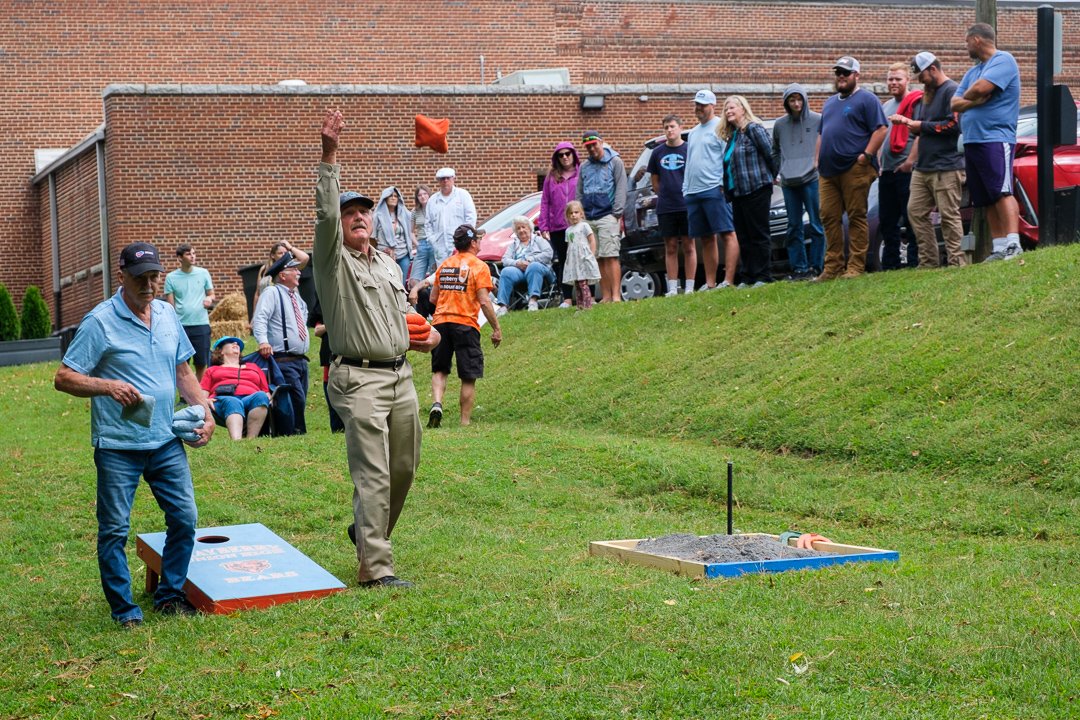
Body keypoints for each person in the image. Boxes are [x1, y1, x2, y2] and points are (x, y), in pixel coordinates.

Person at [54, 241, 215, 627]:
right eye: (141, 277)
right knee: (114, 530)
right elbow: (64, 377)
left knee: (184, 518)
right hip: (117, 447)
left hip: (165, 441)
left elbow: (183, 372)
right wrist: (107, 386)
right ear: (122, 275)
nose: (149, 285)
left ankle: (171, 595)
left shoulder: (165, 314)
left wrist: (206, 413)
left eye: (154, 277)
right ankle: (125, 611)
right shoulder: (100, 321)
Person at [315, 109, 440, 589]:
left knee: (403, 468)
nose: (358, 217)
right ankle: (376, 569)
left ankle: (367, 533)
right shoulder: (332, 263)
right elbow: (326, 213)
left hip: (401, 375)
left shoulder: (388, 265)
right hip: (357, 379)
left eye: (363, 211)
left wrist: (427, 336)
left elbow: (403, 321)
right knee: (374, 473)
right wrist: (330, 153)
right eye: (350, 214)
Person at [952, 22, 1022, 262]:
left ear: (977, 40)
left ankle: (1014, 243)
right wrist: (975, 101)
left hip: (995, 137)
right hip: (972, 140)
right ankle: (1000, 246)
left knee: (1002, 191)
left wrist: (970, 95)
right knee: (985, 197)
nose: (966, 46)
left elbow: (981, 87)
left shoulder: (1004, 60)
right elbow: (954, 103)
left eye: (966, 41)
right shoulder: (973, 71)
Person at [817, 56, 889, 280]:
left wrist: (866, 156)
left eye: (846, 73)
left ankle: (855, 266)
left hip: (854, 168)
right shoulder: (829, 102)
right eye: (838, 72)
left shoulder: (867, 99)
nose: (841, 76)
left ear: (857, 75)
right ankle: (832, 267)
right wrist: (817, 160)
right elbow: (822, 132)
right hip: (828, 172)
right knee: (828, 216)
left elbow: (881, 129)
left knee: (856, 216)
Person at [428, 224, 502, 428]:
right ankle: (464, 422)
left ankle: (437, 403)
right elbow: (485, 301)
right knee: (468, 376)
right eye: (478, 239)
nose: (480, 242)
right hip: (465, 324)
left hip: (441, 323)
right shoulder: (479, 266)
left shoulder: (445, 264)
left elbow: (433, 297)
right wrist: (496, 328)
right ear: (472, 243)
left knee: (440, 369)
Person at [899, 52, 967, 268]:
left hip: (946, 167)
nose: (920, 80)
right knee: (915, 212)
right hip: (924, 167)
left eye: (922, 75)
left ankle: (957, 263)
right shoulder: (927, 95)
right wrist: (910, 124)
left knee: (948, 216)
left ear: (933, 69)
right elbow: (925, 127)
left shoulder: (952, 91)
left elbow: (954, 125)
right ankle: (929, 262)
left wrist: (922, 126)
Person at [719, 96, 779, 287]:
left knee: (758, 234)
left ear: (743, 109)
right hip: (738, 193)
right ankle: (748, 276)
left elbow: (771, 154)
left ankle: (763, 275)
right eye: (726, 109)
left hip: (757, 188)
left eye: (732, 107)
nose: (728, 111)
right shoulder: (733, 137)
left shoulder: (754, 129)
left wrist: (774, 176)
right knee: (743, 236)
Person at [683, 89, 737, 289]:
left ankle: (728, 280)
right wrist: (685, 189)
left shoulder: (721, 127)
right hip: (694, 192)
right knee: (706, 238)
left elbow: (728, 157)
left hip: (715, 189)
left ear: (713, 106)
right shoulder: (694, 132)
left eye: (703, 105)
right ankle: (710, 283)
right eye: (697, 104)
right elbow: (690, 162)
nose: (699, 108)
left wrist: (723, 184)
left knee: (727, 233)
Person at [251, 252, 310, 435]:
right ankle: (294, 433)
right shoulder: (272, 292)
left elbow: (304, 314)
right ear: (283, 275)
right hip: (284, 359)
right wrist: (263, 341)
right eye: (294, 269)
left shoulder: (295, 296)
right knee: (295, 398)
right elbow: (260, 319)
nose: (299, 273)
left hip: (300, 359)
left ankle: (294, 431)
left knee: (300, 398)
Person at [771, 83, 825, 280]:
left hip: (811, 178)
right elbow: (775, 150)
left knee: (816, 224)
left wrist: (818, 165)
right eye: (792, 100)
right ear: (786, 103)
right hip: (788, 183)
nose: (796, 103)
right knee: (793, 226)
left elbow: (825, 144)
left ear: (805, 99)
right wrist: (779, 171)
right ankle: (799, 268)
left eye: (799, 99)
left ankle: (817, 267)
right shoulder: (779, 125)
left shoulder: (818, 120)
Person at [879, 62, 922, 270]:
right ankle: (891, 263)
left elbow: (921, 135)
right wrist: (879, 162)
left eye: (898, 79)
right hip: (886, 171)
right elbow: (882, 136)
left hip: (906, 171)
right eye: (890, 79)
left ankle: (915, 261)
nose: (893, 83)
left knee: (911, 218)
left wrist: (909, 162)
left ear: (908, 80)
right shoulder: (885, 106)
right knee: (887, 221)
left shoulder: (916, 101)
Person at [575, 130, 626, 302]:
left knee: (610, 255)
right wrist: (581, 216)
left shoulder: (615, 162)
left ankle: (616, 295)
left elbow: (621, 188)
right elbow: (579, 192)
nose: (591, 149)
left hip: (608, 216)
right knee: (598, 258)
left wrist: (616, 213)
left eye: (594, 145)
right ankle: (605, 296)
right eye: (588, 147)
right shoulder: (584, 167)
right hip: (589, 218)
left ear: (601, 142)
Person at [647, 115, 694, 295]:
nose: (669, 130)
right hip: (666, 207)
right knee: (671, 246)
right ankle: (673, 288)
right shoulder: (657, 152)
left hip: (687, 205)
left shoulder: (689, 149)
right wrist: (665, 195)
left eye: (672, 126)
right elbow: (655, 180)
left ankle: (690, 287)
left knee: (689, 246)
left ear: (680, 128)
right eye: (666, 127)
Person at [200, 336, 270, 440]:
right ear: (221, 351)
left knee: (261, 396)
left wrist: (268, 398)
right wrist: (206, 400)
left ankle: (251, 440)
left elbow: (265, 392)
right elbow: (202, 394)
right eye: (230, 342)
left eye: (237, 344)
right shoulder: (212, 370)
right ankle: (237, 441)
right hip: (222, 400)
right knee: (232, 401)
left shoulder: (253, 367)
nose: (235, 344)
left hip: (250, 399)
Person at [538, 141, 580, 307]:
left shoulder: (580, 172)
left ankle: (586, 296)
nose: (564, 157)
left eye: (567, 154)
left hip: (578, 225)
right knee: (564, 262)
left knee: (581, 259)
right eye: (561, 155)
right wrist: (544, 225)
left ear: (573, 155)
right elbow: (545, 202)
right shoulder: (551, 176)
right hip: (558, 227)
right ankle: (568, 298)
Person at [164, 244, 214, 380]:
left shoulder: (203, 273)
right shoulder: (171, 278)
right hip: (181, 326)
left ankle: (200, 394)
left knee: (201, 362)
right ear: (179, 258)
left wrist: (209, 299)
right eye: (188, 254)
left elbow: (211, 294)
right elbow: (170, 306)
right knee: (182, 363)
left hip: (201, 324)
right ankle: (183, 397)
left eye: (193, 253)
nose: (192, 256)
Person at [494, 216, 555, 313]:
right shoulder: (513, 245)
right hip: (520, 271)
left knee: (533, 266)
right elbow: (505, 259)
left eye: (523, 227)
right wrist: (517, 263)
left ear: (529, 228)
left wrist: (531, 260)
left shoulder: (539, 240)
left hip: (540, 271)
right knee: (506, 271)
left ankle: (533, 301)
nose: (521, 230)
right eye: (518, 228)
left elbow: (549, 253)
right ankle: (502, 306)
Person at [425, 167, 477, 267]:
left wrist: (465, 238)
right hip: (440, 246)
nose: (445, 181)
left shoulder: (463, 195)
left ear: (454, 179)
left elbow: (471, 217)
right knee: (443, 274)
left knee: (461, 272)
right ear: (438, 181)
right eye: (442, 179)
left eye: (448, 178)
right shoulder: (432, 200)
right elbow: (428, 224)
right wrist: (433, 241)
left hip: (461, 245)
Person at [561, 200, 600, 309]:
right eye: (571, 213)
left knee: (583, 282)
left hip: (584, 258)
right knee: (577, 284)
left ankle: (588, 305)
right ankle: (580, 306)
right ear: (567, 215)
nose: (573, 215)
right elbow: (570, 245)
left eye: (576, 212)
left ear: (581, 213)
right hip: (574, 261)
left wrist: (591, 254)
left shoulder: (584, 226)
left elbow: (592, 240)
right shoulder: (568, 231)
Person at [373, 186, 414, 281]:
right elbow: (372, 237)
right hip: (385, 254)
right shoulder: (377, 216)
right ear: (385, 198)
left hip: (403, 254)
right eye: (390, 196)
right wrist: (380, 251)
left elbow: (415, 226)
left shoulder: (405, 214)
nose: (393, 198)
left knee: (402, 283)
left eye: (396, 196)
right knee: (389, 282)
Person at [253, 240, 309, 310]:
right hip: (266, 308)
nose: (283, 255)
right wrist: (255, 315)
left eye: (285, 253)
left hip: (288, 308)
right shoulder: (264, 269)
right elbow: (258, 293)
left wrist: (290, 247)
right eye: (280, 253)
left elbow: (305, 258)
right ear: (273, 255)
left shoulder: (290, 266)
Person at [409, 185, 433, 287]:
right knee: (414, 280)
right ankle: (416, 302)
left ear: (429, 195)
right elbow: (410, 231)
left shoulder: (435, 209)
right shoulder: (414, 212)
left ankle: (433, 303)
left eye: (425, 194)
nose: (422, 197)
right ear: (417, 198)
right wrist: (417, 244)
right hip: (421, 245)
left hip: (434, 245)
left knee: (434, 278)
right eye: (419, 195)